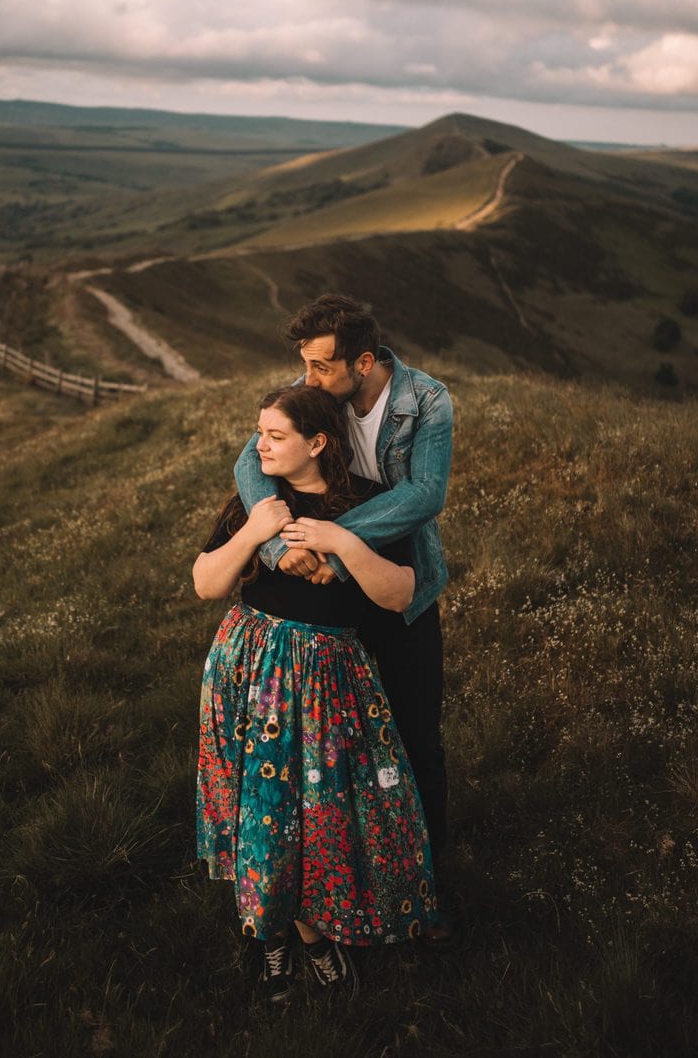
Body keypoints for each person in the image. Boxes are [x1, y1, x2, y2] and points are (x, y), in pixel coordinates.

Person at [195, 385, 438, 1002]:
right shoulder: (259, 498)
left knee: (318, 815)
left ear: (318, 443)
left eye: (275, 436)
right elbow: (205, 583)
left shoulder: (372, 506)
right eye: (260, 432)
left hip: (327, 685)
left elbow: (401, 594)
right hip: (246, 672)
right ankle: (276, 935)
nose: (260, 446)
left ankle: (313, 931)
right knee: (258, 808)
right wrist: (254, 532)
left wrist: (344, 543)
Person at [234, 295, 454, 938]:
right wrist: (279, 545)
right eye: (303, 365)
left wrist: (333, 539)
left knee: (415, 738)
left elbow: (424, 494)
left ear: (363, 363)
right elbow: (253, 460)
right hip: (324, 592)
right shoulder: (317, 392)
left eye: (321, 367)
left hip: (393, 582)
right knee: (337, 747)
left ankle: (426, 886)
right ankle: (344, 881)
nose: (309, 380)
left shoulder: (427, 401)